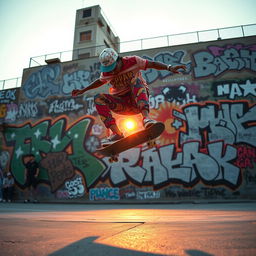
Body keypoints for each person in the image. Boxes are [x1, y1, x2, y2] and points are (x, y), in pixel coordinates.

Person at [72, 48, 186, 145]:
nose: (112, 71)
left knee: (135, 80)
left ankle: (146, 119)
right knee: (98, 98)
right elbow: (99, 81)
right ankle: (117, 133)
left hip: (138, 100)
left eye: (113, 67)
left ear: (118, 60)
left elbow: (152, 64)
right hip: (122, 104)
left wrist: (169, 67)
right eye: (109, 69)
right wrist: (83, 90)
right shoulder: (107, 73)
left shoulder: (133, 61)